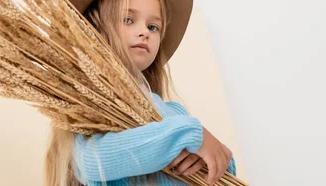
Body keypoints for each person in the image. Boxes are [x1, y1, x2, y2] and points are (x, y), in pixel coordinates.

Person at [44, 0, 236, 185]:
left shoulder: (174, 112)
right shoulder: (91, 108)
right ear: (94, 31)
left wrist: (218, 158)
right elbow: (93, 162)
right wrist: (189, 133)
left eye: (153, 27)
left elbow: (220, 169)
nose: (145, 32)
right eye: (128, 20)